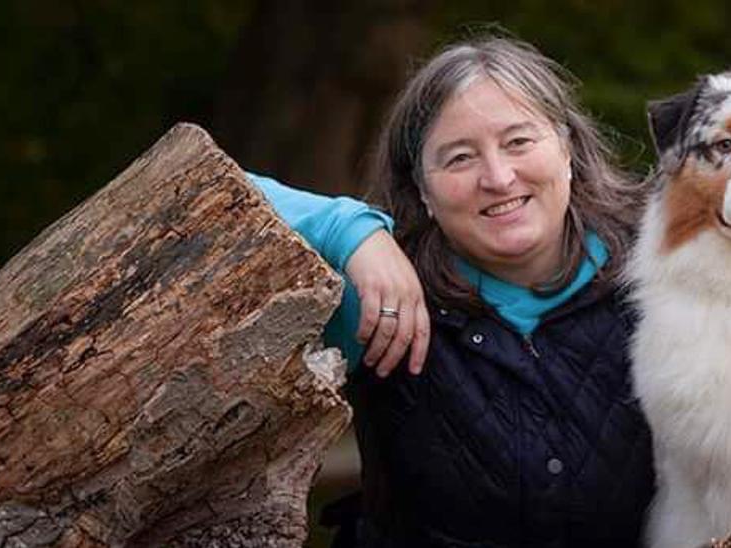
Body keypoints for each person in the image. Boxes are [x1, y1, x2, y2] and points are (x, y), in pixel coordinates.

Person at [250, 36, 654, 547]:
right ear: (422, 187)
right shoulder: (383, 294)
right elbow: (195, 195)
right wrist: (349, 231)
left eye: (518, 142)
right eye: (460, 158)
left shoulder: (662, 270)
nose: (499, 177)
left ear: (567, 148)